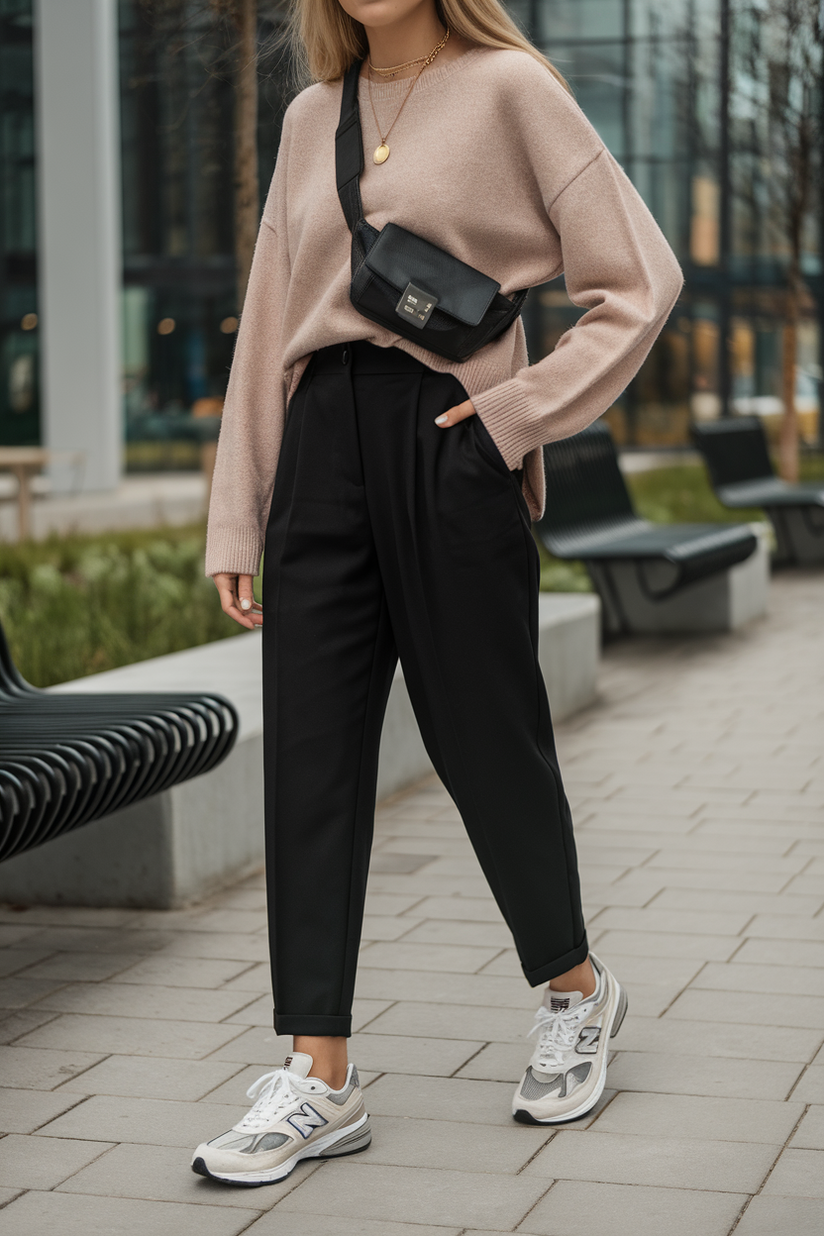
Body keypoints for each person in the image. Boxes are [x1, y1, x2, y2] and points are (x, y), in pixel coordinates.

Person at [192, 0, 683, 1187]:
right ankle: (318, 1072)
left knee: (483, 742)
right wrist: (238, 507)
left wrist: (511, 420)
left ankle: (573, 989)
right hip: (319, 452)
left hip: (449, 438)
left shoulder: (510, 90)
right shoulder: (312, 115)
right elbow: (270, 324)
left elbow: (637, 279)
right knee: (308, 755)